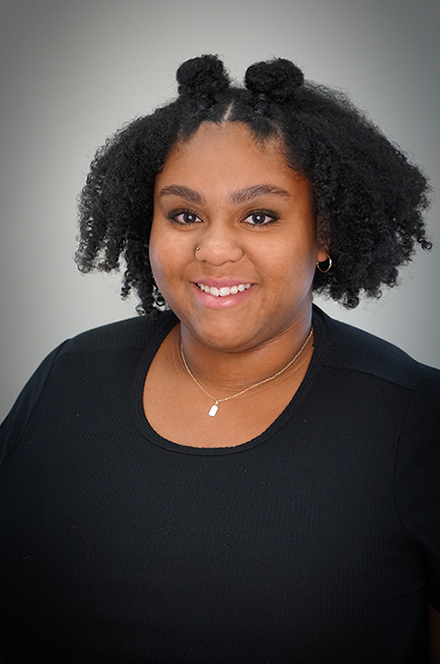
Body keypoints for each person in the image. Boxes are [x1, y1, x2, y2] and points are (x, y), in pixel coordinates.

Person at [0, 54, 439, 663]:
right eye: (185, 214)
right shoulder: (70, 377)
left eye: (259, 216)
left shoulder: (415, 420)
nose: (214, 248)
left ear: (325, 233)